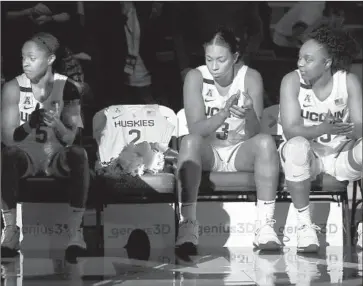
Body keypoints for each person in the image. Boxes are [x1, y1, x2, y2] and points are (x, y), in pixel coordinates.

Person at [176, 27, 281, 255]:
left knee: (265, 142)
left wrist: (249, 113)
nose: (214, 66)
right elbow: (196, 128)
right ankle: (188, 224)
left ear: (234, 57)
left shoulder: (251, 77)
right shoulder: (195, 77)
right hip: (209, 152)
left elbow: (255, 133)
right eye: (209, 59)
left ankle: (264, 225)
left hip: (239, 151)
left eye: (221, 60)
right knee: (189, 141)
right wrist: (223, 114)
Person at [1, 32, 90, 258]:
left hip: (55, 156)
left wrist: (57, 124)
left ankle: (75, 231)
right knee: (7, 155)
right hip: (25, 156)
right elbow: (8, 139)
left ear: (50, 59)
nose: (25, 63)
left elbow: (71, 139)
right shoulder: (13, 88)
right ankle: (10, 229)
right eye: (23, 57)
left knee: (79, 154)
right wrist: (30, 125)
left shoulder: (68, 87)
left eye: (32, 57)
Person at [279, 24, 362, 253]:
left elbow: (360, 127)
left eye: (307, 59)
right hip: (310, 158)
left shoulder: (348, 81)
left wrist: (342, 130)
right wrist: (322, 128)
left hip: (341, 156)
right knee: (295, 146)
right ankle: (306, 228)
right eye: (299, 58)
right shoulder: (291, 81)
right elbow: (289, 131)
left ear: (327, 63)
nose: (300, 64)